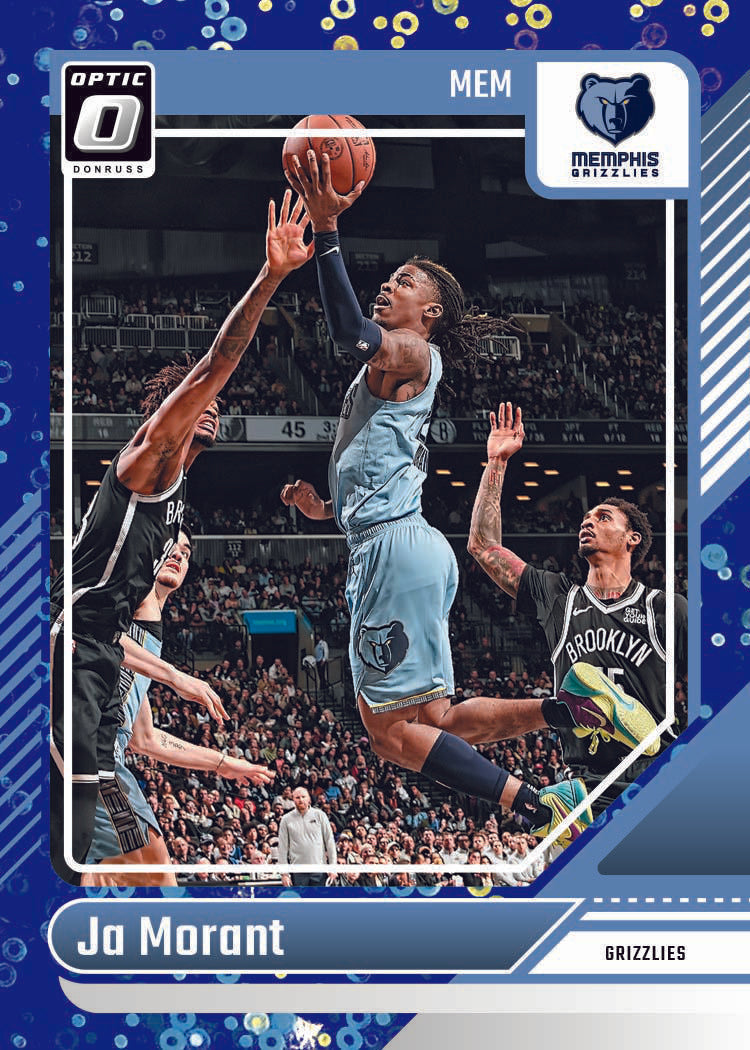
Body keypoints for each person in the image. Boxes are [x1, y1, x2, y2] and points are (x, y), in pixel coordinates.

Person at [280, 153, 656, 850]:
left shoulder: (411, 352)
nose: (387, 285)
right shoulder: (403, 367)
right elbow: (383, 469)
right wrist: (324, 509)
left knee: (388, 733)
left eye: (403, 281)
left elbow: (346, 332)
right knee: (437, 722)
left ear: (430, 313)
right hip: (404, 544)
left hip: (392, 553)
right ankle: (570, 707)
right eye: (391, 277)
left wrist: (327, 231)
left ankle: (538, 805)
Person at [50, 190, 313, 880]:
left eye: (218, 406)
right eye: (203, 404)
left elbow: (135, 698)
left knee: (128, 870)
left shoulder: (177, 494)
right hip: (73, 654)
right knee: (108, 864)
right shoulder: (148, 459)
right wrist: (272, 276)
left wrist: (190, 701)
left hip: (96, 653)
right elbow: (214, 364)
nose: (215, 408)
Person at [468, 402, 688, 812]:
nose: (588, 521)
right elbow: (483, 546)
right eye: (586, 517)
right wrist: (496, 462)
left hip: (654, 780)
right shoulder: (559, 597)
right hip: (584, 788)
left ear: (633, 538)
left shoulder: (664, 608)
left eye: (603, 517)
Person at [84, 526, 275, 886]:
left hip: (103, 752)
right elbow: (90, 632)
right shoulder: (132, 595)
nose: (178, 554)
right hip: (92, 753)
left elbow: (145, 739)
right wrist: (176, 677)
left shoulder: (149, 632)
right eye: (170, 545)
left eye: (186, 552)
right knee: (157, 880)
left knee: (108, 879)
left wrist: (223, 763)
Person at [277, 786, 337, 887]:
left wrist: (333, 867)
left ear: (309, 798)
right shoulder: (286, 819)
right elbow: (282, 848)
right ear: (293, 799)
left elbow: (330, 842)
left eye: (303, 797)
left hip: (319, 869)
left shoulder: (320, 815)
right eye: (297, 797)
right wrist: (284, 874)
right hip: (297, 871)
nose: (300, 800)